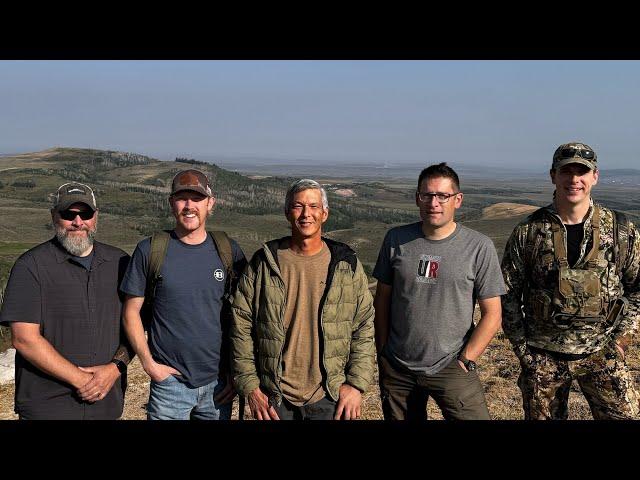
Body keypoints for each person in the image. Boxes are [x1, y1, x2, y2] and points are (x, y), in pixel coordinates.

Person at [501, 142, 640, 420]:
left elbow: (638, 288)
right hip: (544, 356)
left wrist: (621, 341)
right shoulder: (529, 232)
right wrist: (524, 352)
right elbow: (507, 294)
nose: (574, 180)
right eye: (566, 172)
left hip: (603, 352)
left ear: (594, 176)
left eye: (582, 172)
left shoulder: (621, 230)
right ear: (553, 176)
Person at [231, 179, 375, 420]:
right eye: (298, 206)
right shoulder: (263, 263)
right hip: (274, 397)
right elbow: (241, 326)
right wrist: (251, 387)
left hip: (329, 396)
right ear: (288, 213)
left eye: (313, 206)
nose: (306, 214)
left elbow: (363, 327)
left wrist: (356, 385)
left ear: (325, 213)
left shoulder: (346, 264)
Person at [373, 163, 504, 420]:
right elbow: (382, 301)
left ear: (458, 200)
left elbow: (493, 314)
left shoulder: (479, 247)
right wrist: (384, 352)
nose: (434, 202)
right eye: (428, 195)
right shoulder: (396, 239)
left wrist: (467, 358)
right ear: (417, 198)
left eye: (443, 196)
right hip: (399, 366)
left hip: (452, 363)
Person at [120, 169, 246, 420]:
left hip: (218, 384)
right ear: (171, 203)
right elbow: (131, 311)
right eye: (182, 198)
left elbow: (244, 316)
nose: (189, 206)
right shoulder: (150, 250)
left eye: (197, 199)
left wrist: (236, 372)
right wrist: (149, 365)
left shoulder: (228, 251)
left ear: (210, 203)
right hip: (169, 385)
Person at [0, 182, 132, 420]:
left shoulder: (120, 263)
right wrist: (83, 380)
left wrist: (115, 368)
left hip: (106, 405)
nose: (78, 222)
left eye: (86, 214)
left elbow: (135, 326)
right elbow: (24, 339)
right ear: (54, 216)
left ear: (96, 217)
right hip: (47, 407)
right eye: (68, 214)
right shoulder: (30, 267)